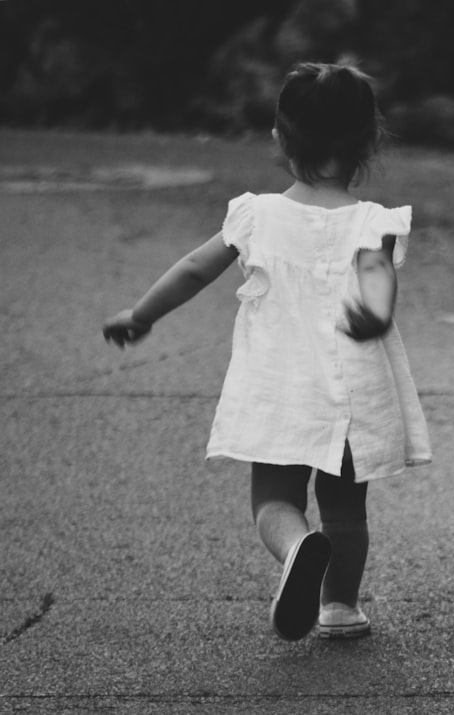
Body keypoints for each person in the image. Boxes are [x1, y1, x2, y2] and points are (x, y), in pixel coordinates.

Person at [102, 62, 432, 641]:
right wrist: (361, 316)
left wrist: (141, 314)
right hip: (352, 395)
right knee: (347, 512)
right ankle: (340, 608)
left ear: (280, 139)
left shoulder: (257, 214)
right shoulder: (373, 223)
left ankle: (297, 546)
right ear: (368, 141)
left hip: (280, 389)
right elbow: (376, 309)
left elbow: (193, 268)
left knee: (275, 500)